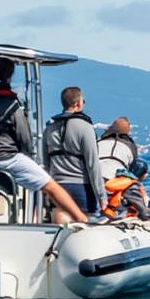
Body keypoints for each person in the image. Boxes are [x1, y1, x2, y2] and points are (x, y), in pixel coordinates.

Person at [0, 57, 90, 224]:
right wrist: (29, 156)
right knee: (51, 187)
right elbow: (24, 139)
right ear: (10, 75)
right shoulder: (12, 104)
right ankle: (82, 219)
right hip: (7, 159)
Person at [43, 86, 105, 223]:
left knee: (60, 223)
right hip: (81, 187)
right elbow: (92, 164)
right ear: (77, 103)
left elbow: (46, 163)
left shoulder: (49, 127)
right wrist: (102, 196)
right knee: (82, 226)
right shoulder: (85, 127)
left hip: (57, 186)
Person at [97, 116, 139, 181]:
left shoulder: (98, 143)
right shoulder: (131, 146)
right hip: (115, 178)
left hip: (95, 175)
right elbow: (133, 169)